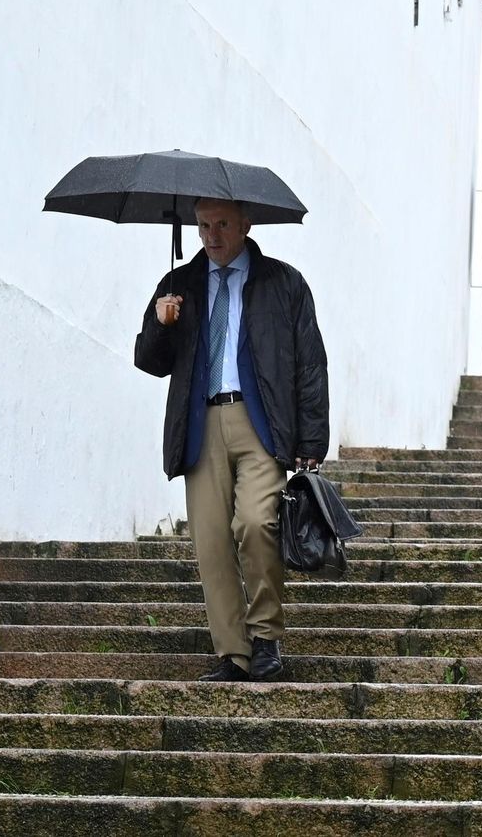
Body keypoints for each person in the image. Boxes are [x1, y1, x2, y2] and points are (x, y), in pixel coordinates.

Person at [134, 197, 329, 681]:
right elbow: (149, 360)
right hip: (201, 424)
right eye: (202, 225)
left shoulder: (285, 284)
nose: (211, 235)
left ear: (246, 224)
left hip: (260, 421)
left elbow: (310, 364)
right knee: (211, 542)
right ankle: (234, 654)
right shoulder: (178, 285)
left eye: (221, 224)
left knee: (257, 522)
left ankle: (265, 638)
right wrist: (161, 325)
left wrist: (312, 441)